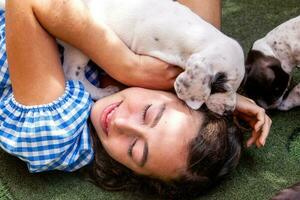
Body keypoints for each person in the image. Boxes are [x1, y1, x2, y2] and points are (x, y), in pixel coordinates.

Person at [1, 0, 271, 199]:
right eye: (148, 113)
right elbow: (199, 36)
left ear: (128, 171)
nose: (120, 123)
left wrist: (128, 66)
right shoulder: (158, 67)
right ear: (171, 91)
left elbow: (28, 2)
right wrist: (222, 96)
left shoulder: (57, 135)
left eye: (133, 149)